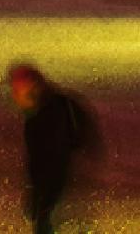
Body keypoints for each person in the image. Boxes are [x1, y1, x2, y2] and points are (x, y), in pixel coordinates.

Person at [8, 64, 101, 234]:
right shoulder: (41, 114)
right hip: (58, 186)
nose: (14, 96)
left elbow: (50, 158)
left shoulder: (48, 116)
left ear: (32, 89)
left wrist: (39, 194)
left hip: (62, 184)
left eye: (17, 90)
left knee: (55, 222)